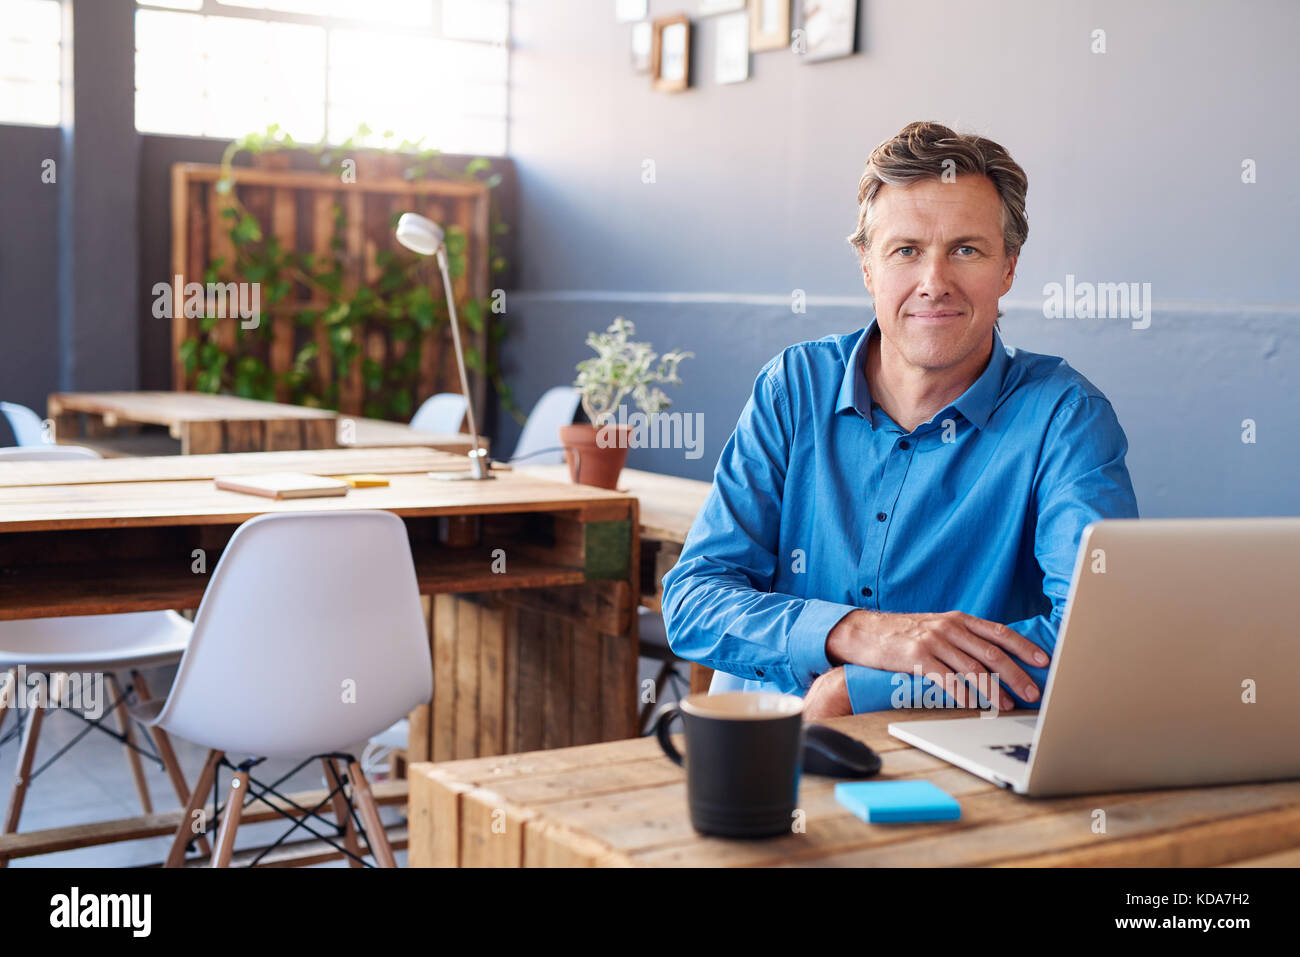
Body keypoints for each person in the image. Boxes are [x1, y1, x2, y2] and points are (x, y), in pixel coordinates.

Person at [661, 121, 1139, 719]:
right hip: (782, 741)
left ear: (1009, 268)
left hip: (967, 751)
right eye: (906, 250)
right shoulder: (793, 388)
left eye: (966, 250)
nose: (934, 283)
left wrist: (857, 690)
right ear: (867, 265)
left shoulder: (1066, 417)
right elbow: (694, 600)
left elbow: (1094, 639)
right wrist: (856, 633)